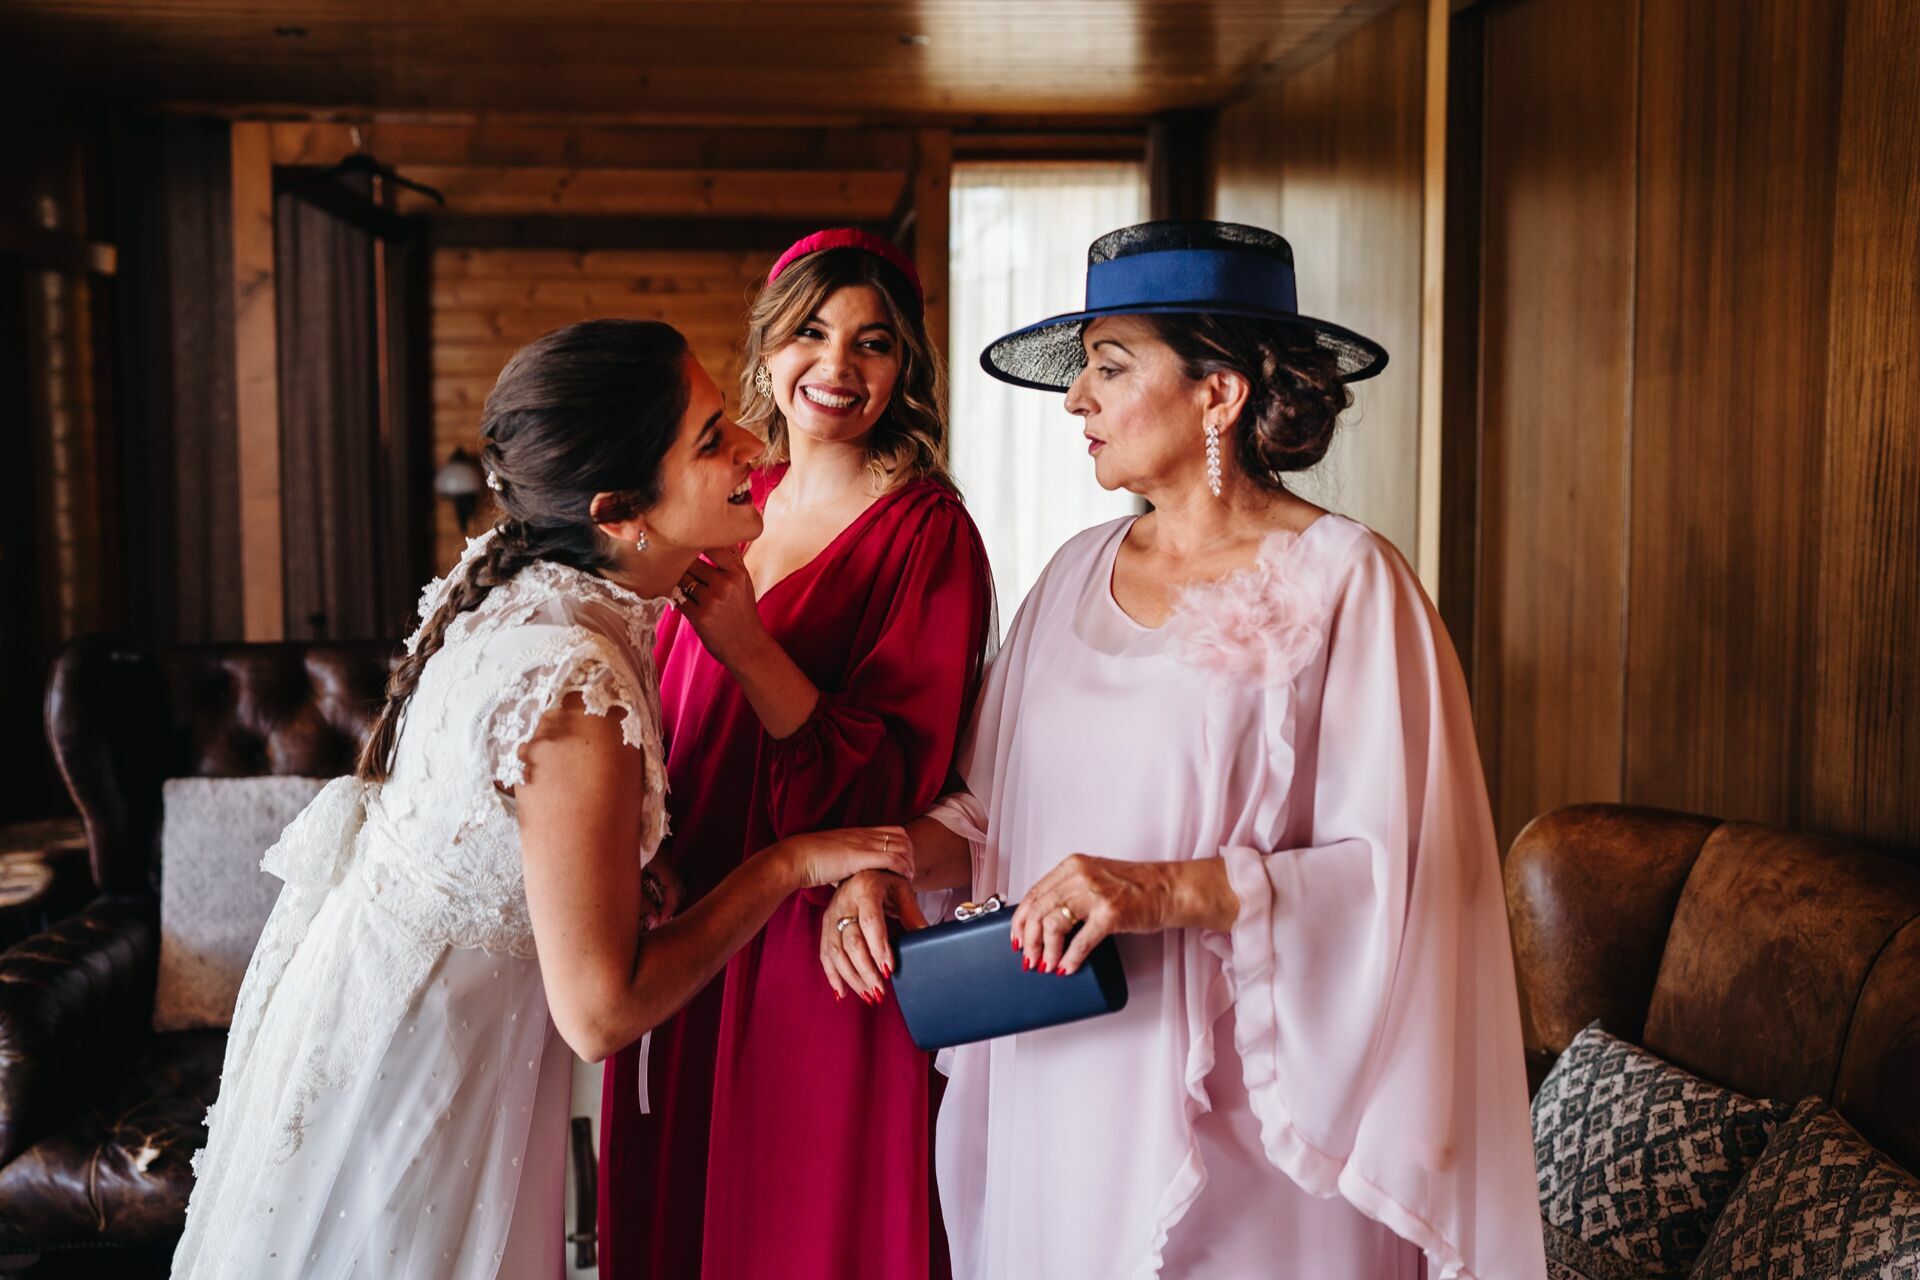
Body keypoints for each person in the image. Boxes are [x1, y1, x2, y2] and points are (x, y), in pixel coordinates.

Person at [824, 222, 1548, 1279]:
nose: (1078, 398)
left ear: (1221, 392)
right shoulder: (1069, 574)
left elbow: (1401, 877)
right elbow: (989, 811)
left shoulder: (1351, 584)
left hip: (1254, 1111)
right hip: (1057, 1080)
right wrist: (885, 860)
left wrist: (1158, 889)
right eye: (1083, 370)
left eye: (1111, 365)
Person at [172, 320, 911, 1280]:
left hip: (389, 1029)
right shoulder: (571, 681)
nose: (755, 449)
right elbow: (602, 1015)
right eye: (711, 438)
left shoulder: (538, 585)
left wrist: (620, 867)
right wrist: (789, 861)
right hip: (420, 1094)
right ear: (617, 512)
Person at [599, 231, 993, 1280]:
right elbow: (644, 704)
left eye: (872, 342)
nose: (836, 365)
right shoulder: (726, 497)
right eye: (810, 333)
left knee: (797, 1222)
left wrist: (749, 645)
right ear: (766, 350)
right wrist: (634, 840)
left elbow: (897, 777)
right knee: (678, 1201)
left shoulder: (929, 534)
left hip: (819, 931)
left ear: (904, 364)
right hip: (690, 910)